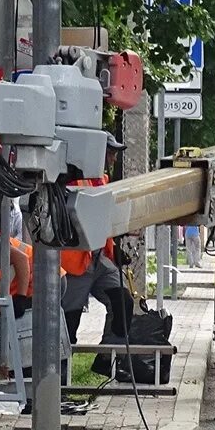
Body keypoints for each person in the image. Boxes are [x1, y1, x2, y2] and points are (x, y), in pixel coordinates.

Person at [60, 133, 129, 343]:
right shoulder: (70, 179)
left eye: (114, 154)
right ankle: (61, 370)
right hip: (75, 264)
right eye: (110, 153)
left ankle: (110, 358)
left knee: (123, 302)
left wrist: (113, 248)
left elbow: (101, 221)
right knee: (69, 320)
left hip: (99, 260)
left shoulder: (103, 182)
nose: (113, 159)